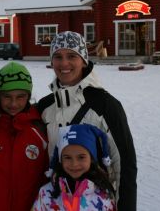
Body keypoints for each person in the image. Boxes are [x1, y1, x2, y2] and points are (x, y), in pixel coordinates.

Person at [38, 31, 137, 211]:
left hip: (97, 203)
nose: (64, 63)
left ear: (83, 60)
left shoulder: (106, 105)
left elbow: (125, 164)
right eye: (58, 57)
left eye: (72, 56)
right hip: (56, 202)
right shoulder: (45, 107)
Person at [0, 62, 48, 211]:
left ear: (28, 95)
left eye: (20, 96)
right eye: (6, 96)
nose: (13, 103)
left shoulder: (40, 129)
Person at [32, 124, 116, 211]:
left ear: (91, 158)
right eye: (68, 157)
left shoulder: (105, 196)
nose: (74, 164)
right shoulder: (46, 193)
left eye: (81, 157)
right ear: (60, 160)